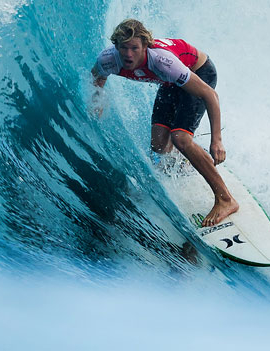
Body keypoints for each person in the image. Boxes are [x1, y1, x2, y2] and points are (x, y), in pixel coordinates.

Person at [90, 18, 238, 227]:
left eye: (134, 48)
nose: (128, 54)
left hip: (198, 72)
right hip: (171, 80)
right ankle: (190, 160)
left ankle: (226, 199)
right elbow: (97, 76)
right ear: (116, 47)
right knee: (159, 145)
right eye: (124, 48)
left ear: (145, 46)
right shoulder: (108, 59)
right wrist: (98, 101)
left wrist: (217, 140)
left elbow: (209, 94)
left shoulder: (160, 61)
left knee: (180, 138)